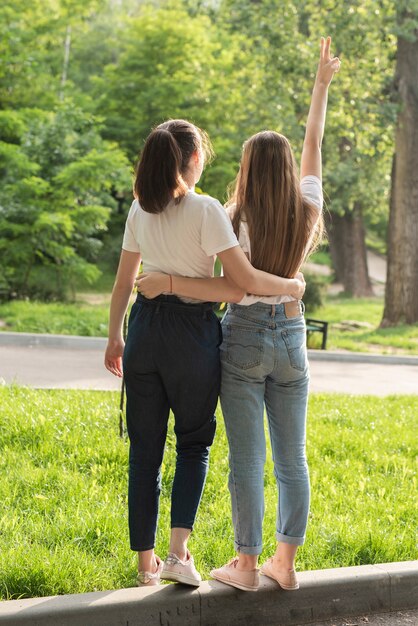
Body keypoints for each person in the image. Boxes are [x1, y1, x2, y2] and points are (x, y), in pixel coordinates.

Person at [136, 37, 340, 591]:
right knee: (292, 459)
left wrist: (167, 282)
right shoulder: (307, 208)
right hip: (293, 339)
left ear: (247, 169)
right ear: (290, 169)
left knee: (248, 459)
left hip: (246, 339)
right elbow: (315, 142)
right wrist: (321, 85)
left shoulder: (233, 215)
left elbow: (226, 286)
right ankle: (287, 563)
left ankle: (246, 566)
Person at [104, 119, 306, 588]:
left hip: (144, 328)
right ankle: (178, 555)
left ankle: (144, 567)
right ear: (193, 160)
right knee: (193, 444)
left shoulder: (140, 209)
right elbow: (241, 287)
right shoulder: (207, 209)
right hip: (191, 335)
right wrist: (293, 285)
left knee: (144, 451)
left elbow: (121, 283)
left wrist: (115, 336)